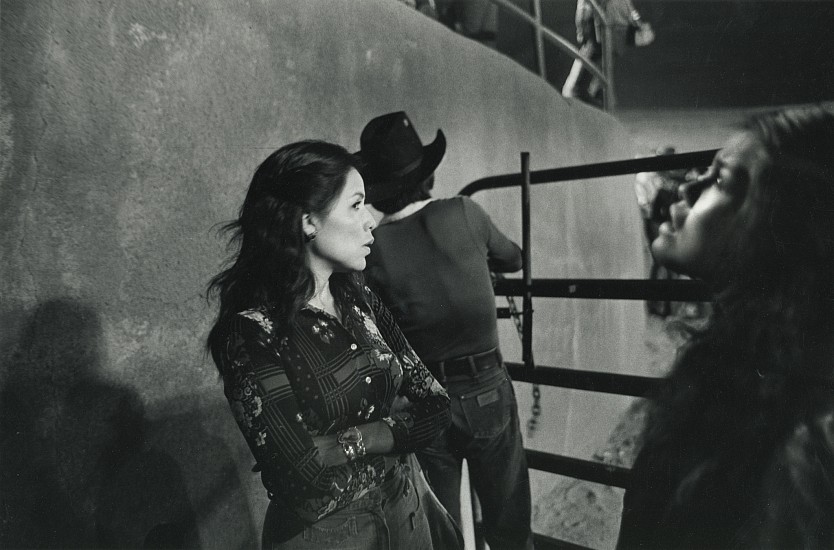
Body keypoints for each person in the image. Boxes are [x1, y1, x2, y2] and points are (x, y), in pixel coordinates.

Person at [206, 140, 452, 549]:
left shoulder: (361, 301)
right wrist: (396, 437)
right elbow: (303, 484)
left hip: (404, 508)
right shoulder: (253, 333)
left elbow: (438, 407)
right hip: (325, 537)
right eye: (356, 205)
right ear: (307, 221)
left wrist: (351, 442)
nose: (371, 219)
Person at [617, 106, 834, 549]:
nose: (689, 186)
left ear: (786, 228)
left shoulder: (797, 448)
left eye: (720, 180)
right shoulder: (747, 366)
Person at [358, 111, 534, 550]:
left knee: (441, 532)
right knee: (509, 521)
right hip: (485, 385)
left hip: (425, 398)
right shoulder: (464, 212)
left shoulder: (373, 248)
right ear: (426, 176)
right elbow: (514, 258)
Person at [562, 0, 653, 106]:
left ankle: (597, 97)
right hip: (602, 27)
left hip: (613, 26)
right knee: (592, 66)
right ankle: (584, 94)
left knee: (601, 71)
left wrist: (639, 23)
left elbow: (628, 7)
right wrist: (582, 26)